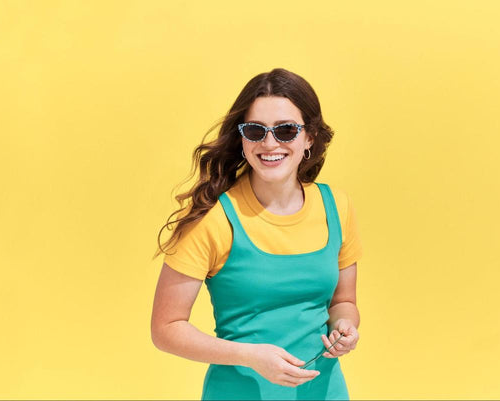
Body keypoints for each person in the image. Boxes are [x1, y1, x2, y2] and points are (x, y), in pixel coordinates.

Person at [151, 68, 363, 400]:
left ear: (310, 138)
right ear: (242, 138)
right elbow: (165, 329)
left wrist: (344, 328)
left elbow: (344, 302)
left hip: (325, 392)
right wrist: (250, 356)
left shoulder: (336, 208)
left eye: (286, 130)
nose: (269, 143)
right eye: (255, 130)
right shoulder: (214, 219)